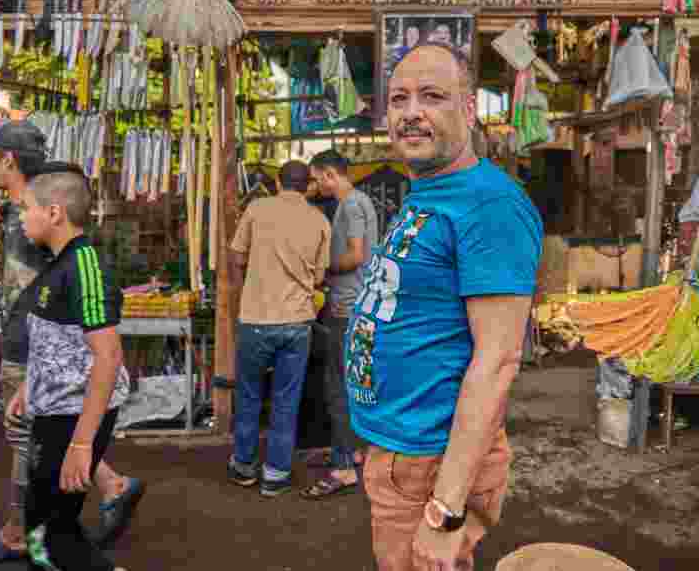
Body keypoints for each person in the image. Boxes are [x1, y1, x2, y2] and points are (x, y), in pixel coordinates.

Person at [0, 123, 143, 565]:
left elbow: (106, 353)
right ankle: (73, 509)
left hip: (43, 362)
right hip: (40, 366)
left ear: (7, 159)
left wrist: (81, 442)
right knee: (42, 466)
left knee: (35, 458)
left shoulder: (57, 238)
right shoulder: (25, 211)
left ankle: (26, 533)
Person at [349, 44, 543, 571]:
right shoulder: (431, 191)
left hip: (429, 464)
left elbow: (498, 362)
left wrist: (445, 513)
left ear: (469, 108)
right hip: (403, 449)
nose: (411, 112)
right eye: (399, 99)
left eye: (432, 96)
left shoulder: (489, 204)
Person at [6, 166, 131, 571]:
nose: (21, 216)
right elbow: (55, 341)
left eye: (27, 208)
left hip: (75, 415)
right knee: (46, 524)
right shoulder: (57, 263)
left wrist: (82, 445)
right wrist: (29, 385)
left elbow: (108, 356)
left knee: (49, 532)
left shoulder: (85, 268)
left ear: (55, 212)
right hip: (55, 409)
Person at [227, 160, 331, 497]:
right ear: (308, 186)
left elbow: (237, 257)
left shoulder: (257, 208)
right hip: (297, 322)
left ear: (276, 181)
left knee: (249, 395)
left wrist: (247, 291)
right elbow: (318, 278)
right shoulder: (319, 220)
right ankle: (276, 474)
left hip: (256, 318)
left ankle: (243, 466)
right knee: (287, 400)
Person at [302, 150, 379, 500]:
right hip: (360, 304)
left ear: (330, 174)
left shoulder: (349, 205)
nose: (315, 186)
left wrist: (322, 269)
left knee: (338, 388)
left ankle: (344, 467)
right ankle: (351, 451)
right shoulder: (362, 202)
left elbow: (356, 255)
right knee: (355, 383)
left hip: (347, 308)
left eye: (317, 179)